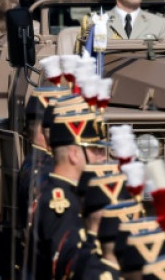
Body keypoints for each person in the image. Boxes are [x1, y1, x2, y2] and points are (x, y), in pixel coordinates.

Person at [33, 111, 109, 279]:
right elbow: (63, 265)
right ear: (74, 154)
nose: (102, 157)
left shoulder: (66, 192)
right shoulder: (61, 203)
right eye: (95, 150)